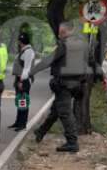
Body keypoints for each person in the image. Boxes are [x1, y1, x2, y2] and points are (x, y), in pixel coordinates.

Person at [30, 21, 89, 152]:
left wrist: (31, 71)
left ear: (63, 32)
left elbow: (48, 60)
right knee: (56, 110)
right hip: (77, 83)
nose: (59, 35)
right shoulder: (82, 45)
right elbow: (88, 63)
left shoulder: (64, 45)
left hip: (64, 84)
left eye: (60, 32)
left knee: (65, 112)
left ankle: (72, 142)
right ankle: (41, 131)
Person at [9, 33, 35, 131]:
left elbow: (27, 68)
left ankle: (22, 123)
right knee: (19, 101)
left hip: (23, 80)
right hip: (19, 79)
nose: (19, 42)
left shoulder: (28, 52)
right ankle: (18, 121)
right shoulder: (23, 51)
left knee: (23, 102)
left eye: (19, 41)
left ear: (21, 42)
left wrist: (21, 81)